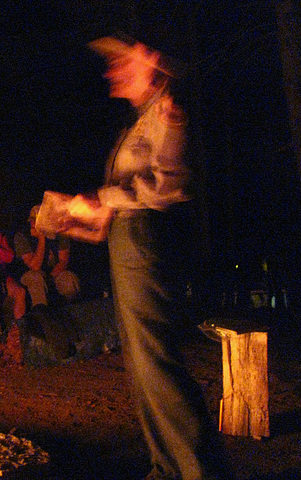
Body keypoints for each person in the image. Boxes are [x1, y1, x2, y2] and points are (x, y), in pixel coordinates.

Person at [64, 36, 233, 479]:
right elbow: (125, 199)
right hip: (128, 239)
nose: (111, 72)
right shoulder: (139, 123)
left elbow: (167, 186)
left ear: (151, 61)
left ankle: (202, 471)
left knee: (155, 363)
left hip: (146, 241)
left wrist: (101, 198)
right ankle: (167, 469)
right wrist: (78, 216)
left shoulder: (168, 111)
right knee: (141, 367)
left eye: (122, 63)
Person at [14, 204, 80, 309]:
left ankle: (71, 311)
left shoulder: (59, 233)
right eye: (32, 220)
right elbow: (34, 266)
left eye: (37, 221)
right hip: (30, 275)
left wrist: (50, 278)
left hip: (53, 274)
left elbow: (63, 261)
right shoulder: (22, 236)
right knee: (37, 278)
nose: (33, 224)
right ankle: (42, 315)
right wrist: (41, 238)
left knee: (69, 279)